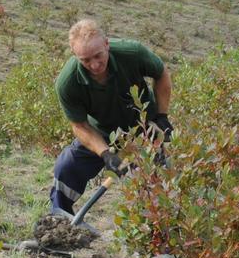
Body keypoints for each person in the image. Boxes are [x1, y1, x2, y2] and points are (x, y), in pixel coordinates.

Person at [49, 19, 172, 215]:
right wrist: (106, 154)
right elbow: (79, 125)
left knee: (154, 180)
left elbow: (162, 74)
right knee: (67, 166)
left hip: (143, 127)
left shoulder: (132, 53)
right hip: (102, 131)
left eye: (98, 56)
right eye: (85, 60)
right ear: (75, 55)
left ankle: (158, 230)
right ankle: (60, 221)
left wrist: (161, 116)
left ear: (107, 44)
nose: (95, 65)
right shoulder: (67, 82)